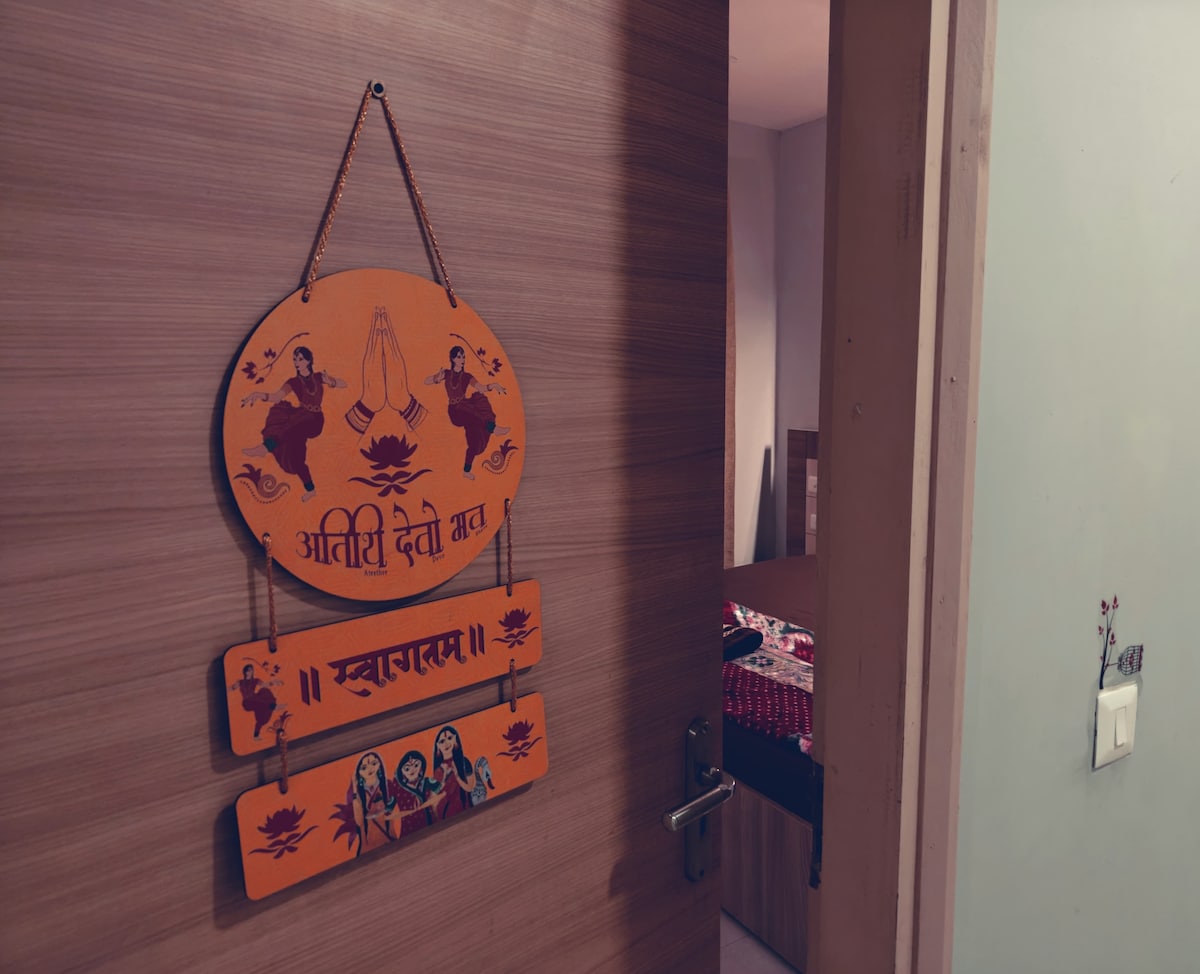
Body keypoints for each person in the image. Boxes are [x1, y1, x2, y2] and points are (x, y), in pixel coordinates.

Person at [242, 346, 347, 502]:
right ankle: (311, 490)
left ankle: (266, 447)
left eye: (300, 359)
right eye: (294, 359)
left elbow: (343, 384)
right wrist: (258, 394)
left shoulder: (319, 377)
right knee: (297, 459)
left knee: (293, 423)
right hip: (299, 422)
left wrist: (330, 381)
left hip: (315, 421)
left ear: (309, 361)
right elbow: (276, 397)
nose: (297, 362)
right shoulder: (293, 382)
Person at [424, 346, 510, 480]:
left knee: (475, 441)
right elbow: (426, 381)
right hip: (455, 412)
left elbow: (481, 388)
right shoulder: (446, 374)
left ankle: (466, 470)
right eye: (459, 357)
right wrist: (436, 378)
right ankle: (493, 428)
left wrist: (493, 385)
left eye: (463, 356)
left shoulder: (467, 376)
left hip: (467, 410)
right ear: (453, 359)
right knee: (473, 413)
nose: (462, 359)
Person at [348, 751, 396, 855]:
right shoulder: (360, 792)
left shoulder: (386, 786)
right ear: (359, 773)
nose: (370, 769)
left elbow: (391, 815)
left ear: (379, 765)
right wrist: (355, 790)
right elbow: (359, 821)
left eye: (374, 763)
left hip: (385, 831)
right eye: (364, 768)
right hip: (369, 837)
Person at [392, 750, 445, 837]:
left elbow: (443, 792)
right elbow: (388, 810)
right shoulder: (399, 790)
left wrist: (431, 800)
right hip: (409, 829)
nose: (412, 770)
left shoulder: (427, 781)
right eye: (407, 768)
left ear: (421, 767)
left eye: (416, 765)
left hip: (432, 824)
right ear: (401, 772)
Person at [430, 725, 475, 819]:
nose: (446, 743)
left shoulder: (464, 762)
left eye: (449, 738)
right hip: (445, 814)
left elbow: (470, 788)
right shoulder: (438, 770)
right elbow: (433, 799)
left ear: (455, 740)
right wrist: (443, 779)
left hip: (464, 809)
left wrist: (457, 775)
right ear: (438, 746)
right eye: (442, 741)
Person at [229, 663, 280, 739]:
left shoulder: (256, 680)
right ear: (245, 672)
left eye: (251, 670)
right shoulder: (240, 682)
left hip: (257, 701)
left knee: (264, 693)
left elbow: (265, 685)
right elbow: (232, 688)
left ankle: (256, 734)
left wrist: (274, 682)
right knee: (262, 701)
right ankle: (272, 705)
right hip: (247, 702)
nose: (249, 672)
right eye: (248, 670)